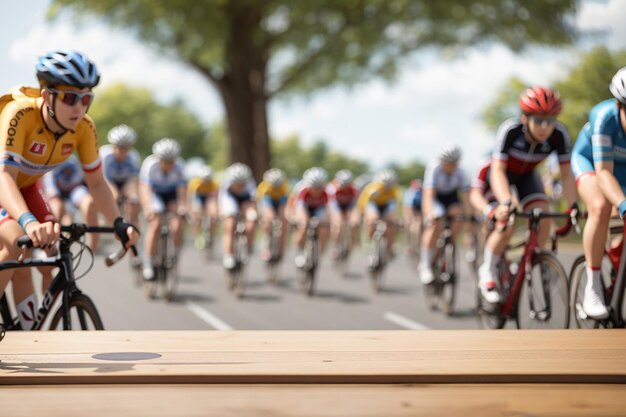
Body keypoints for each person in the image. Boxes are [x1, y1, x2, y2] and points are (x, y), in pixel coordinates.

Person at [0, 50, 138, 330]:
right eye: (70, 97)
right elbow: (5, 176)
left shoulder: (84, 128)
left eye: (86, 98)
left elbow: (97, 183)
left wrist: (118, 222)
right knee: (15, 240)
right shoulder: (21, 114)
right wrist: (28, 222)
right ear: (46, 95)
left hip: (25, 187)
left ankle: (26, 335)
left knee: (46, 255)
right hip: (4, 182)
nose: (79, 107)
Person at [478, 86, 577, 304]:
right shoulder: (510, 130)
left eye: (550, 120)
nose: (545, 127)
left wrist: (573, 207)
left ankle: (527, 260)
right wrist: (505, 202)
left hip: (527, 177)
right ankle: (487, 270)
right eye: (539, 120)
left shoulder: (559, 135)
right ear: (525, 118)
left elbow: (567, 174)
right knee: (508, 220)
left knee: (544, 216)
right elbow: (498, 171)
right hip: (503, 177)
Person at [570, 67, 626, 319]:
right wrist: (623, 205)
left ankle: (616, 254)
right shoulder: (604, 117)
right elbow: (604, 174)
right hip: (592, 164)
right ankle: (593, 286)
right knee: (601, 206)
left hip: (621, 170)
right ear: (619, 105)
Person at [418, 145, 471, 284]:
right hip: (436, 197)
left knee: (458, 214)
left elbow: (466, 198)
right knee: (435, 222)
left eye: (454, 164)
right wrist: (429, 215)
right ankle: (425, 264)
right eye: (448, 163)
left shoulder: (461, 172)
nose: (451, 167)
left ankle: (449, 246)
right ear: (441, 162)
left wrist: (470, 217)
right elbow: (428, 196)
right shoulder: (434, 168)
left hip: (451, 198)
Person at [139, 138, 187, 280]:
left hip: (171, 195)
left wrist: (183, 206)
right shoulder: (150, 164)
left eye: (171, 161)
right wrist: (148, 207)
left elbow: (182, 188)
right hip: (155, 194)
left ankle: (175, 254)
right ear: (158, 159)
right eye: (165, 161)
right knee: (155, 224)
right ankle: (148, 262)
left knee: (177, 225)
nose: (168, 165)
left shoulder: (179, 166)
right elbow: (144, 188)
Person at [43, 154, 100, 251]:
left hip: (74, 190)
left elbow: (82, 180)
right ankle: (49, 246)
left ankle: (94, 244)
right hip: (57, 193)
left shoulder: (72, 160)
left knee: (88, 203)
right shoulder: (49, 161)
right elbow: (51, 189)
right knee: (56, 209)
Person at [356, 169, 400, 268]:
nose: (386, 189)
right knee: (372, 219)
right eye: (384, 186)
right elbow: (363, 205)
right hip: (373, 204)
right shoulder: (372, 189)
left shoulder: (394, 190)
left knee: (391, 223)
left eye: (389, 187)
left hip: (386, 206)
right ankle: (370, 248)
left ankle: (389, 250)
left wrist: (393, 219)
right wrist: (366, 217)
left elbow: (394, 207)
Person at [100, 124, 141, 225]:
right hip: (109, 180)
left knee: (134, 200)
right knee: (114, 196)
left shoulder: (134, 156)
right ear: (113, 146)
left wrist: (134, 195)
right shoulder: (104, 154)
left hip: (126, 182)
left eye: (125, 148)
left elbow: (135, 179)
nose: (122, 151)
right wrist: (115, 193)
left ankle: (132, 224)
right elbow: (103, 178)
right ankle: (111, 220)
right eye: (119, 147)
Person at [218, 162, 257, 270]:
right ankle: (228, 255)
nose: (240, 186)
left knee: (251, 221)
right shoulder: (226, 184)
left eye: (243, 184)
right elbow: (222, 201)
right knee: (230, 224)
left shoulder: (250, 183)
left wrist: (252, 214)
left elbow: (253, 201)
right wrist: (223, 213)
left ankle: (248, 247)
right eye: (238, 184)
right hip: (230, 199)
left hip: (245, 200)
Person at [292, 167, 330, 268]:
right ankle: (299, 251)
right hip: (304, 207)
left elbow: (331, 210)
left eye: (319, 188)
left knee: (324, 226)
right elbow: (298, 208)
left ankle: (319, 251)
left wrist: (333, 222)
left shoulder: (327, 192)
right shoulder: (301, 190)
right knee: (303, 225)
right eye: (314, 188)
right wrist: (299, 220)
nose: (316, 191)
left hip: (319, 209)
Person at [257, 168, 289, 262]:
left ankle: (281, 251)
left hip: (280, 201)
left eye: (277, 186)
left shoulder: (284, 188)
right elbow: (262, 203)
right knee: (268, 219)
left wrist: (285, 216)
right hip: (268, 201)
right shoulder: (263, 187)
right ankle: (266, 246)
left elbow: (286, 204)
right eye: (273, 186)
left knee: (283, 221)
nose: (275, 188)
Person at [326, 169, 359, 260]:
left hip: (349, 206)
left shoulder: (354, 190)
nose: (344, 188)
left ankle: (350, 246)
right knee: (338, 224)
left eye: (346, 186)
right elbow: (330, 205)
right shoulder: (331, 188)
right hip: (336, 206)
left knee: (354, 224)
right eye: (342, 185)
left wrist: (353, 218)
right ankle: (336, 246)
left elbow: (356, 206)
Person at [187, 165, 219, 251]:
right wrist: (191, 211)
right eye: (204, 180)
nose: (206, 182)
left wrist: (216, 213)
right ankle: (197, 236)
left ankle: (211, 236)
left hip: (209, 197)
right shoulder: (194, 183)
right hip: (198, 198)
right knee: (196, 215)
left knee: (213, 216)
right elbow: (191, 198)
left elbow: (216, 199)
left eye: (208, 180)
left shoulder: (215, 184)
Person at [402, 178, 423, 256]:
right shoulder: (409, 192)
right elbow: (407, 207)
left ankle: (421, 243)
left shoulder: (422, 192)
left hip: (420, 209)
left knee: (421, 224)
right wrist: (408, 218)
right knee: (408, 225)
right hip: (411, 208)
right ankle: (409, 244)